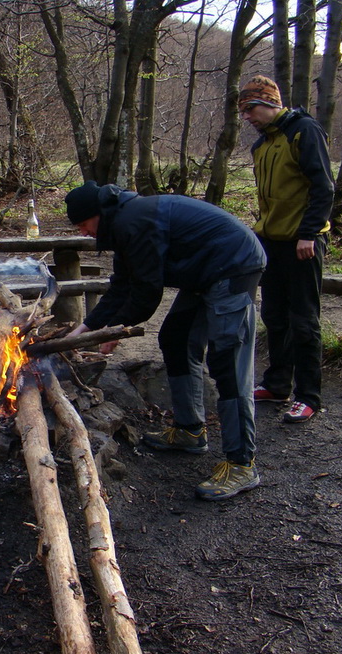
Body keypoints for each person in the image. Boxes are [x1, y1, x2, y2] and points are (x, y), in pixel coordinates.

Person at [64, 181, 266, 501]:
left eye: (83, 224)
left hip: (232, 264)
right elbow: (121, 288)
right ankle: (189, 430)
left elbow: (147, 293)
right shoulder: (123, 223)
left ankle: (242, 463)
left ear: (98, 214)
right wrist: (84, 329)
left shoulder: (133, 222)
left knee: (227, 358)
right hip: (205, 271)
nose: (83, 232)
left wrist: (117, 332)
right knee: (175, 338)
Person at [239, 75, 335, 423]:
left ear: (269, 102)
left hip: (303, 242)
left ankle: (309, 396)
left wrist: (309, 233)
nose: (247, 117)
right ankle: (278, 383)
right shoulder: (262, 145)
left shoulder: (304, 131)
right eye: (244, 111)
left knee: (304, 319)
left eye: (250, 108)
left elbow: (323, 186)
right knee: (274, 315)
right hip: (273, 241)